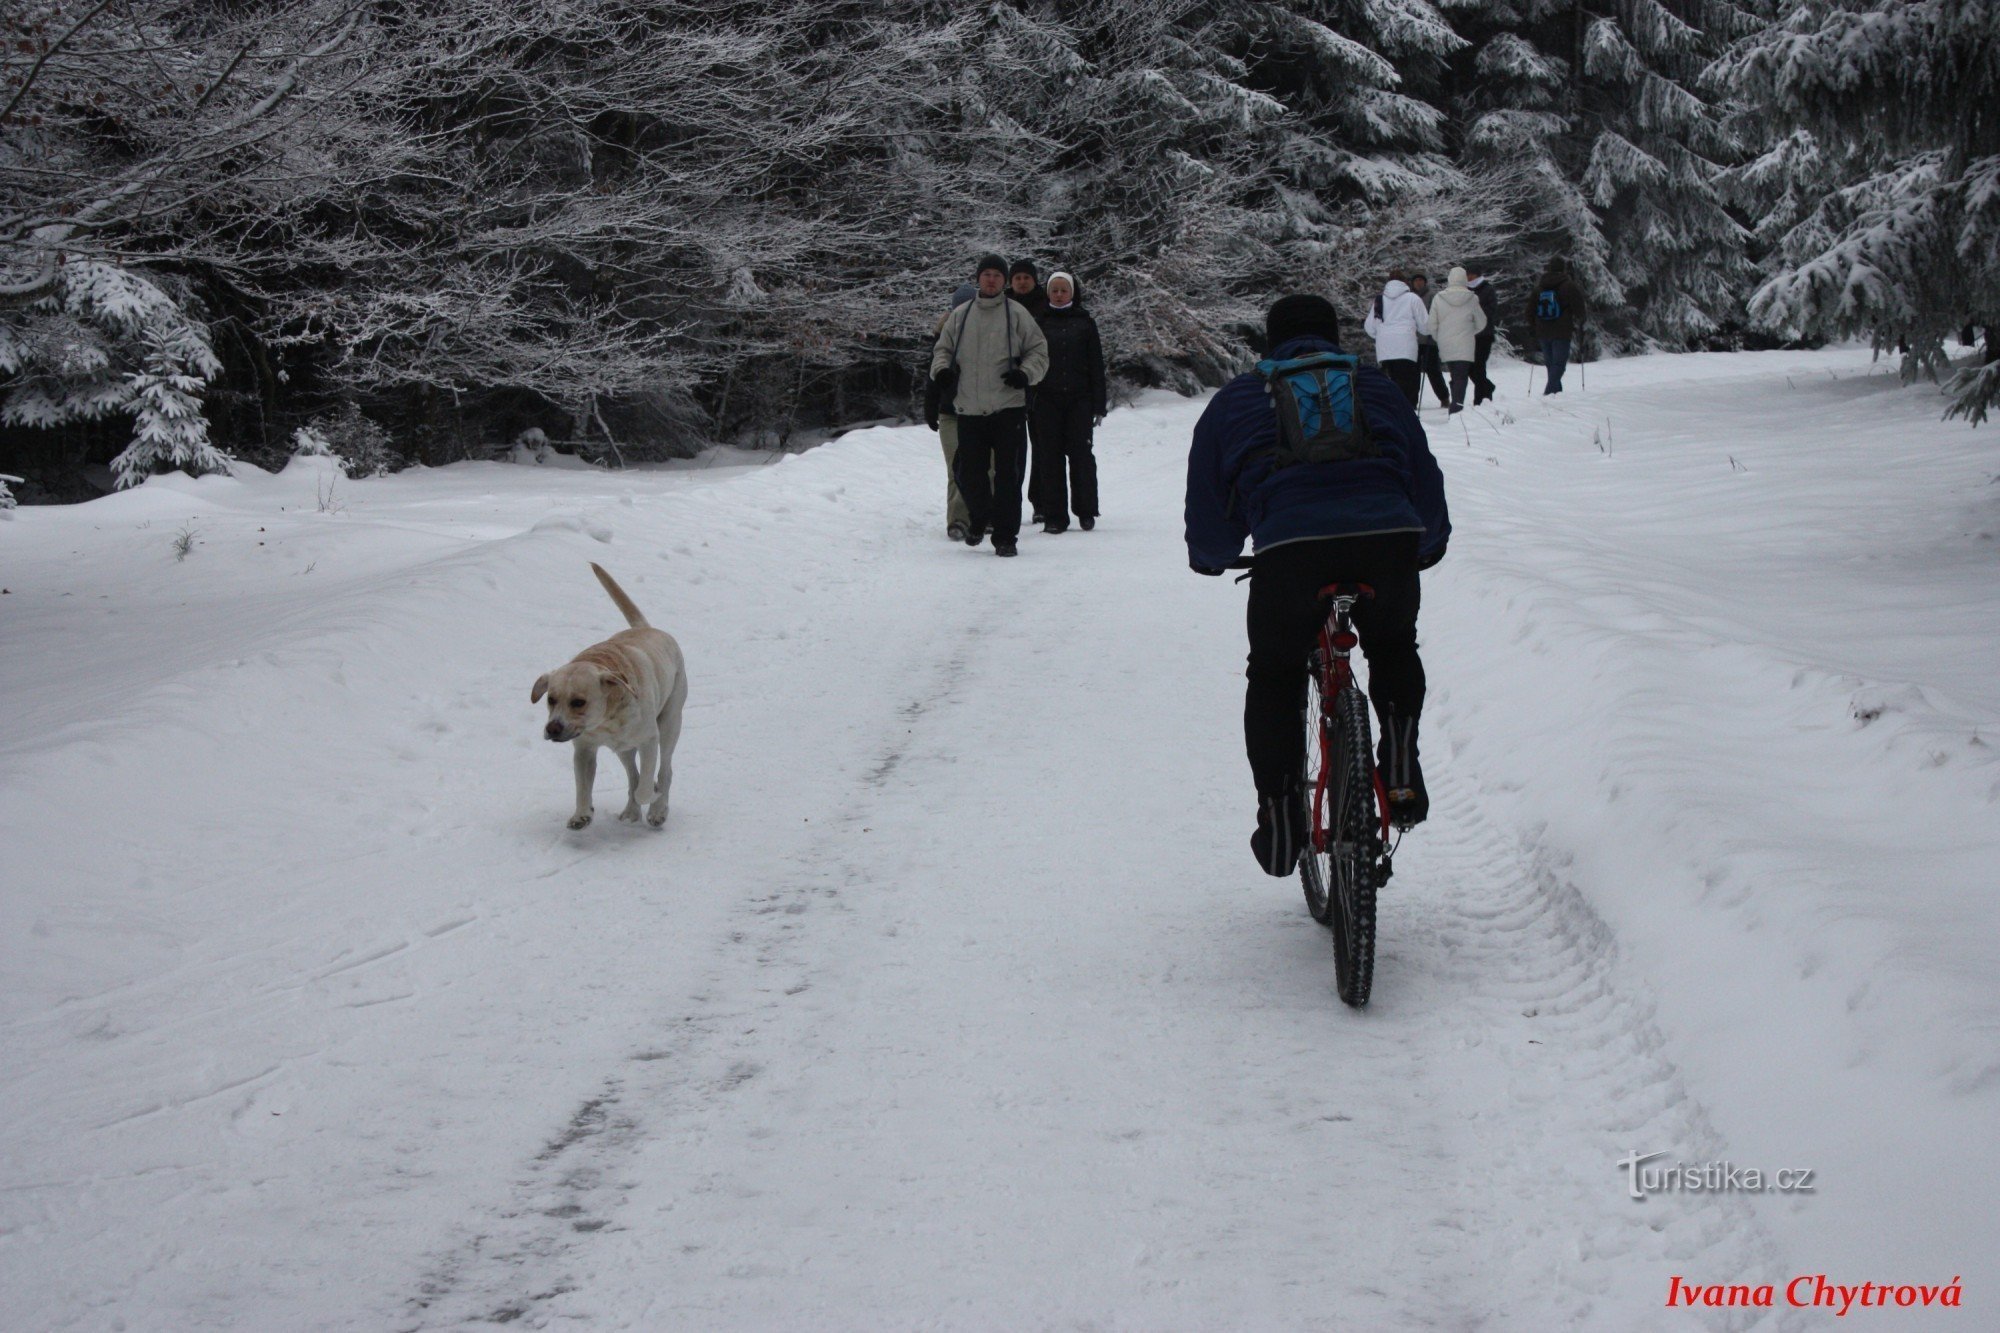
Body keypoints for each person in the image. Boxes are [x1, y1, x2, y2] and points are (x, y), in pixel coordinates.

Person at [1186, 295, 1449, 876]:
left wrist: (1212, 556)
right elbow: (1421, 470)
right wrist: (1427, 543)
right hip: (1388, 538)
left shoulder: (1238, 397)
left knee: (1276, 675)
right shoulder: (1375, 386)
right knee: (1394, 645)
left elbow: (1210, 493)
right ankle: (1399, 762)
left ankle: (1282, 814)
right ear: (1335, 336)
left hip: (1290, 550)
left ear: (1268, 340)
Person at [931, 254, 1049, 557]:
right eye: (987, 275)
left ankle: (1005, 537)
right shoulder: (961, 315)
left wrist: (1025, 374)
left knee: (1008, 476)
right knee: (969, 473)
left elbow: (1039, 351)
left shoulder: (1017, 313)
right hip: (968, 408)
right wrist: (942, 371)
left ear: (1004, 280)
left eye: (998, 275)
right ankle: (980, 517)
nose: (992, 280)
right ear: (978, 279)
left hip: (1007, 406)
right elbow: (942, 350)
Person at [1028, 271, 1108, 532]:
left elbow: (1096, 364)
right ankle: (1054, 516)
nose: (1059, 295)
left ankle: (1086, 511)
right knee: (1049, 458)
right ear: (1048, 293)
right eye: (1055, 290)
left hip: (1079, 400)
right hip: (1046, 400)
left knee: (1081, 455)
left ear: (1073, 293)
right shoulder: (1038, 323)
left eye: (1064, 290)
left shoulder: (1085, 323)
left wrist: (1099, 404)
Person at [924, 283, 985, 541]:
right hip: (950, 412)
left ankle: (984, 515)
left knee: (986, 466)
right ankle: (958, 519)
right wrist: (930, 406)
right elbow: (933, 375)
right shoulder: (943, 337)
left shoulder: (987, 334)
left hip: (982, 411)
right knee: (956, 467)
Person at [1361, 271, 1429, 406]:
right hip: (1406, 347)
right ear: (1405, 282)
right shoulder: (1413, 298)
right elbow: (1425, 326)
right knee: (1408, 381)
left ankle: (1393, 407)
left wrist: (1381, 335)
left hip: (1385, 348)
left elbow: (1369, 327)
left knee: (1391, 379)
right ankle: (1408, 408)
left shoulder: (1379, 300)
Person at [1428, 267, 1489, 414]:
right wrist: (1470, 332)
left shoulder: (1439, 298)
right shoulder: (1472, 298)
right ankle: (1457, 406)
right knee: (1461, 376)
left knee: (1454, 374)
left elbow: (1432, 324)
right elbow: (1482, 322)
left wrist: (1439, 337)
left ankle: (1456, 403)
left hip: (1445, 342)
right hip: (1465, 343)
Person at [1526, 258, 1588, 394]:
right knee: (1559, 364)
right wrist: (1581, 320)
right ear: (1563, 269)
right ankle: (1549, 392)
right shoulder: (1569, 286)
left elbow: (1530, 311)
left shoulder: (1539, 287)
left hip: (1543, 330)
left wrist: (1534, 326)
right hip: (1562, 330)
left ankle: (1556, 393)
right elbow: (1579, 308)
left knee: (1550, 364)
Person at [1408, 272, 1451, 409]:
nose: (1419, 283)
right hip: (1413, 341)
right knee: (1413, 373)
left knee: (1433, 371)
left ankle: (1444, 397)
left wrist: (1434, 334)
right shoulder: (1409, 297)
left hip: (1429, 341)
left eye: (1421, 280)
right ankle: (1412, 400)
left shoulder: (1432, 296)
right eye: (1416, 280)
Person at [1466, 265, 1499, 404]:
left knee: (1479, 367)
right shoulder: (1465, 290)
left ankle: (1480, 398)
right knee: (1471, 368)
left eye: (1471, 275)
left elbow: (1491, 310)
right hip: (1469, 335)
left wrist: (1475, 313)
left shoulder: (1488, 289)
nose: (1468, 278)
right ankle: (1487, 387)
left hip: (1484, 334)